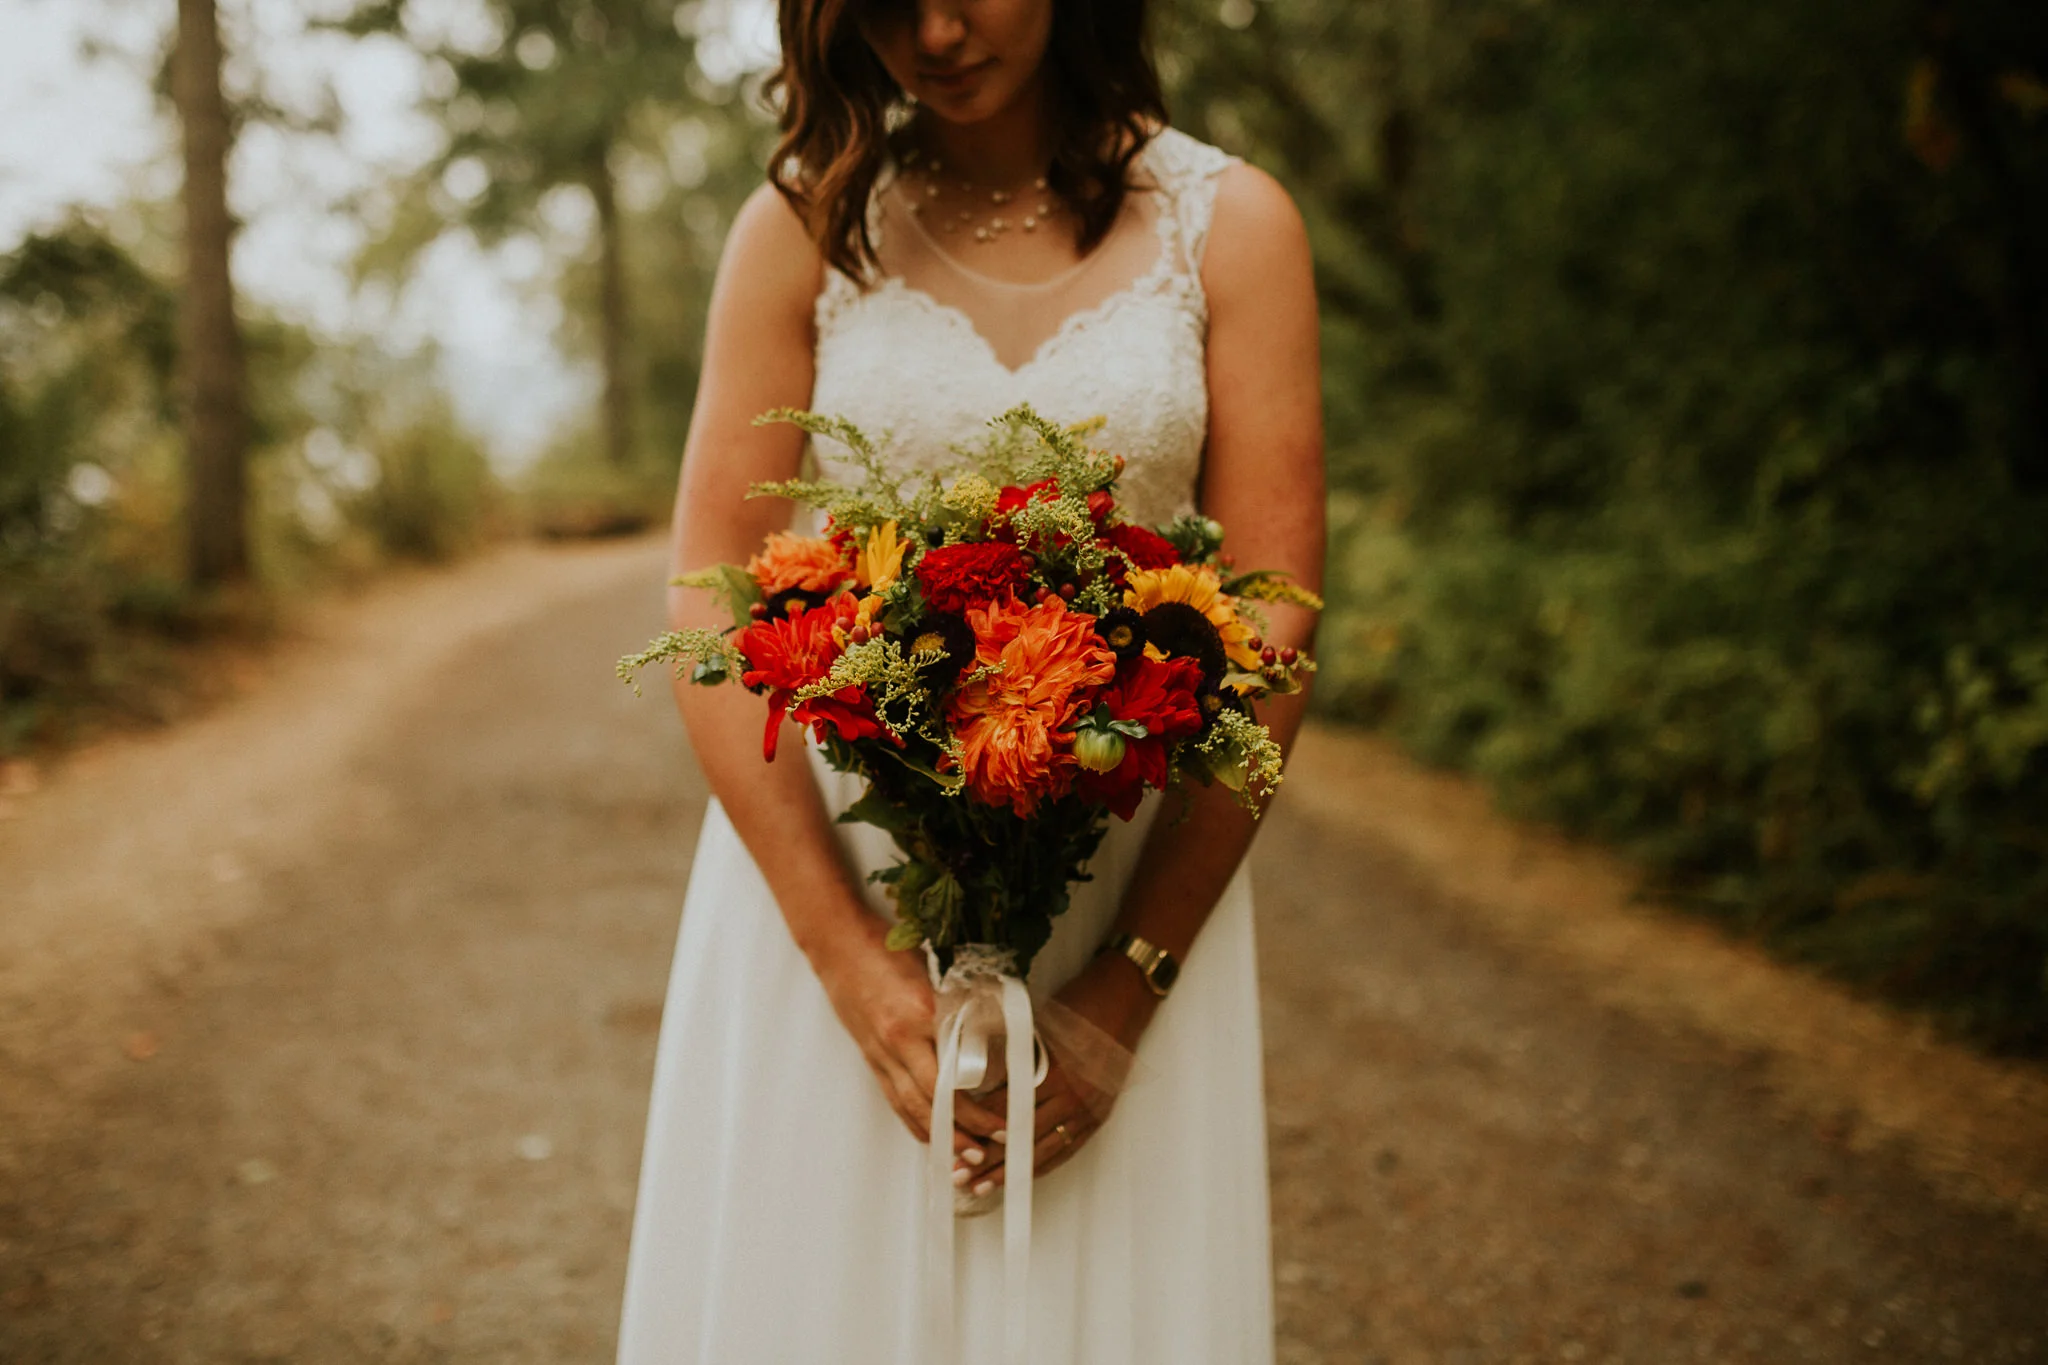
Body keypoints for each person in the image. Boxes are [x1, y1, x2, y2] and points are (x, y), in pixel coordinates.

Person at [615, 0, 1322, 1359]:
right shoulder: (805, 232)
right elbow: (711, 583)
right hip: (840, 867)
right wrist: (845, 961)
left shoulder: (1233, 226)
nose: (933, 32)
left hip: (1122, 852)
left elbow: (1271, 627)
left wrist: (1130, 983)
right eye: (880, 0)